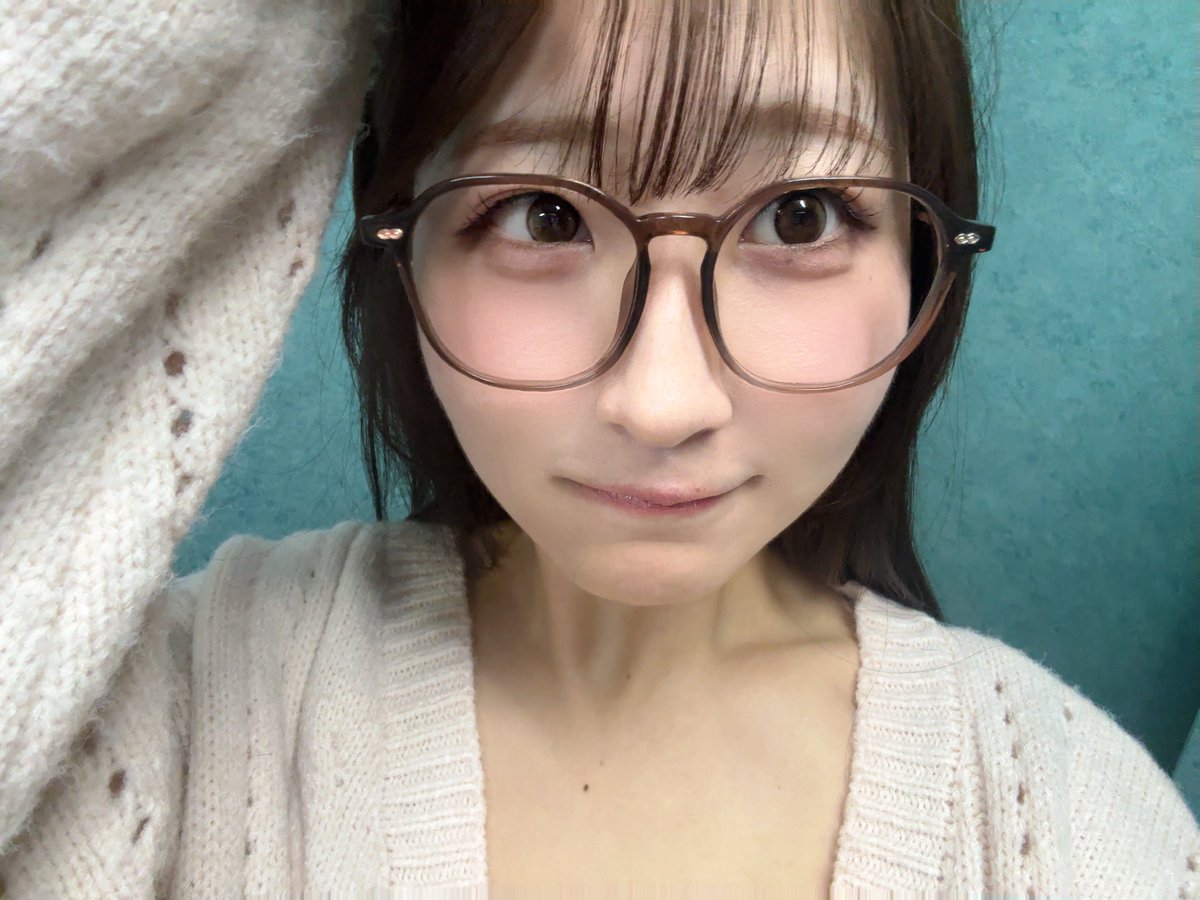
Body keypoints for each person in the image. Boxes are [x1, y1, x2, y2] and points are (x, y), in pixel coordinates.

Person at [1, 0, 1196, 895]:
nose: (662, 402)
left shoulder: (1082, 829)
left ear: (925, 252)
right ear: (394, 240)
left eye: (800, 217)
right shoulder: (159, 723)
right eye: (545, 215)